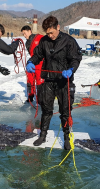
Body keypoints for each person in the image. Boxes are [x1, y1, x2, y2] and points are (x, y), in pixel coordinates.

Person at [26, 16, 82, 150]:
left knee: (65, 111)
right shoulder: (44, 41)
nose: (50, 35)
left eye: (52, 32)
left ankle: (67, 138)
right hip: (49, 80)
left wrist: (71, 69)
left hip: (64, 80)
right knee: (46, 109)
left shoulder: (69, 41)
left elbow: (76, 58)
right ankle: (43, 135)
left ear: (58, 27)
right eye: (48, 33)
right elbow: (38, 54)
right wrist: (30, 61)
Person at [21, 25, 44, 103]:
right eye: (23, 34)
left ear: (30, 31)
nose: (24, 35)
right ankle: (30, 96)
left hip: (40, 63)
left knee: (39, 81)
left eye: (25, 33)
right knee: (30, 80)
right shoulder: (27, 42)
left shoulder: (39, 37)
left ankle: (40, 98)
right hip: (32, 63)